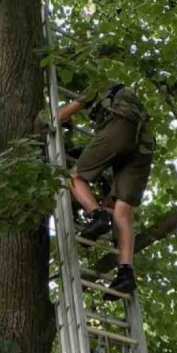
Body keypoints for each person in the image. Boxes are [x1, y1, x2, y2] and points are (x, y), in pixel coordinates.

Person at [57, 81, 154, 298]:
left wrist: (62, 118)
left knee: (74, 177)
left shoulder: (98, 84)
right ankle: (126, 272)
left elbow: (59, 116)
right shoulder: (131, 100)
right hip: (144, 143)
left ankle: (97, 215)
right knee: (122, 207)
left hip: (120, 127)